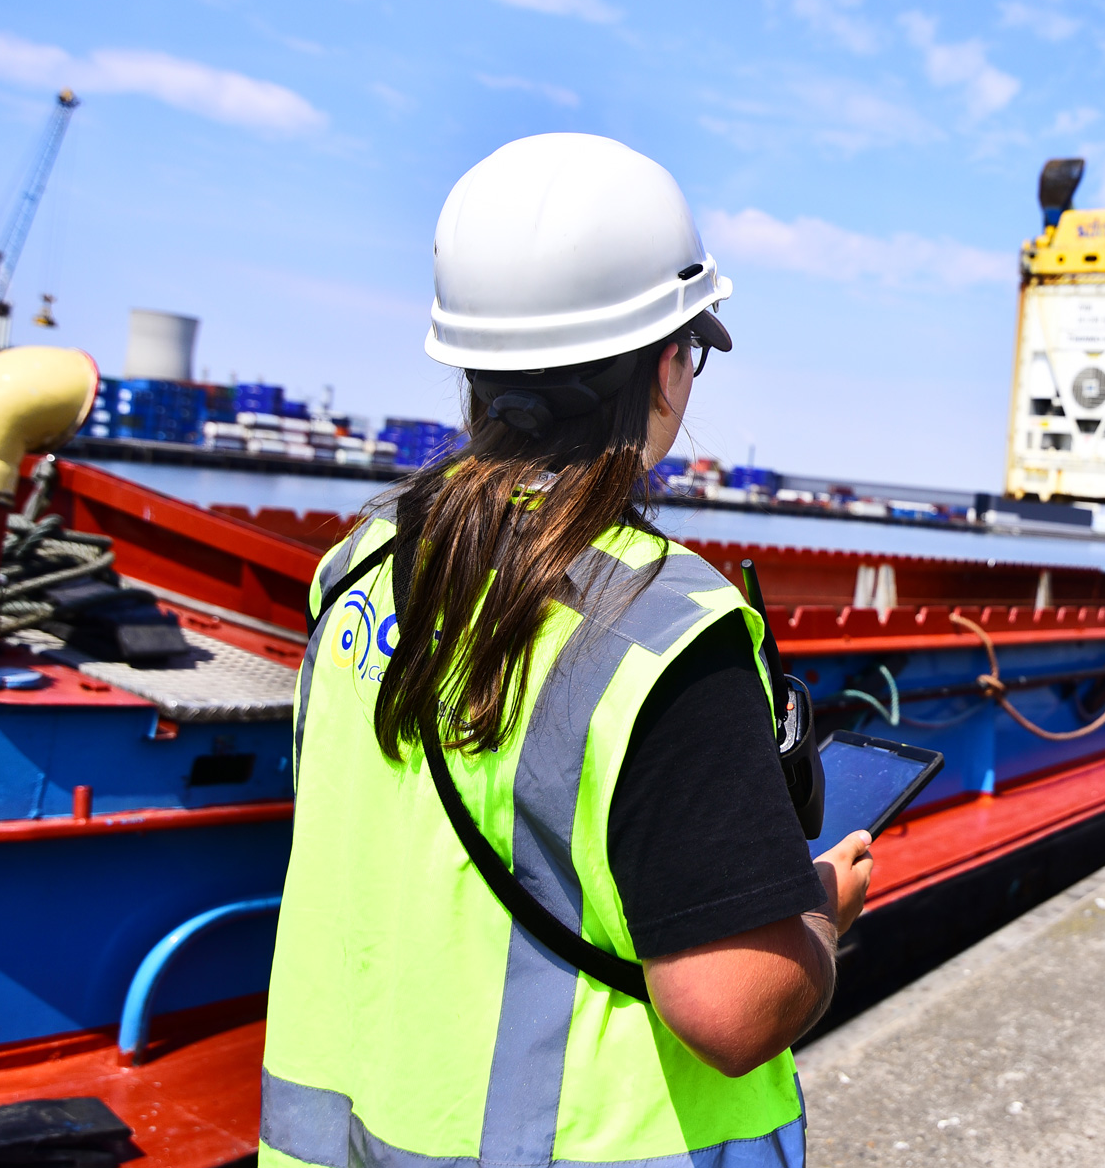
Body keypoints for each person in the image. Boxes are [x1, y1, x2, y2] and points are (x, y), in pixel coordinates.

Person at [260, 132, 871, 1168]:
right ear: (667, 366)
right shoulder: (666, 630)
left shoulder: (358, 569)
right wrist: (822, 910)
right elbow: (731, 1009)